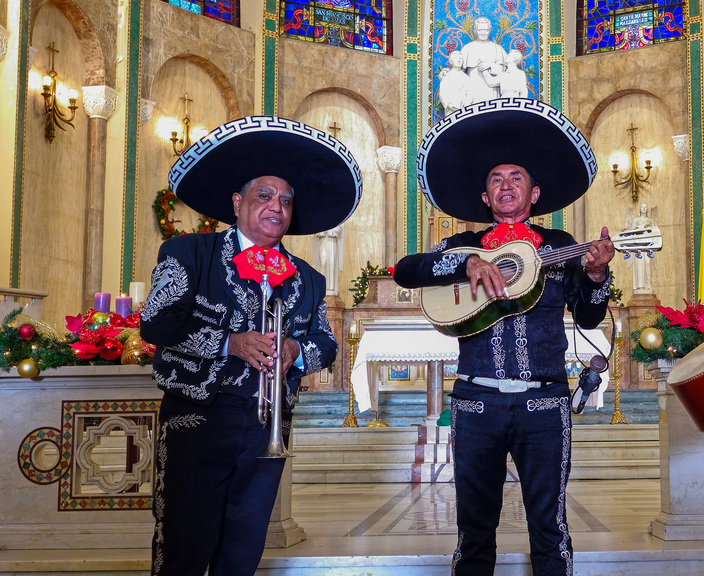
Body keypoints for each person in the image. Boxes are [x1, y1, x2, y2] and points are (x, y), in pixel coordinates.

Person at [393, 98, 614, 576]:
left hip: (545, 403)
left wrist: (596, 276)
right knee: (473, 531)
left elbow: (591, 318)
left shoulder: (559, 246)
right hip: (476, 403)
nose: (506, 185)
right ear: (485, 198)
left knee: (550, 529)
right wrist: (466, 262)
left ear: (534, 195)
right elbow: (407, 270)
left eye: (516, 178)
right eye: (497, 180)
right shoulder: (460, 244)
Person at [142, 116, 362, 576]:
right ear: (238, 203)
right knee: (185, 542)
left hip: (266, 426)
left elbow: (326, 344)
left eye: (285, 200)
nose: (276, 207)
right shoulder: (188, 253)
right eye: (264, 195)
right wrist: (230, 343)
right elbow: (158, 322)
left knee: (243, 549)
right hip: (199, 416)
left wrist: (295, 353)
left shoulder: (308, 278)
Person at [461, 17, 507, 104]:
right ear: (475, 30)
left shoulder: (497, 49)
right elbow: (459, 72)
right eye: (480, 30)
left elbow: (505, 71)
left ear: (490, 30)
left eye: (485, 30)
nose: (483, 33)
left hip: (492, 91)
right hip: (473, 89)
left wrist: (491, 66)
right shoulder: (468, 48)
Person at [438, 50, 471, 116]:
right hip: (450, 111)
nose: (458, 60)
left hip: (463, 111)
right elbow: (443, 93)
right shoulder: (447, 77)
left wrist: (465, 107)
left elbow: (470, 95)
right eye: (456, 58)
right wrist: (448, 104)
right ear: (451, 61)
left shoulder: (467, 78)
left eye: (460, 59)